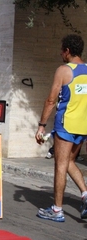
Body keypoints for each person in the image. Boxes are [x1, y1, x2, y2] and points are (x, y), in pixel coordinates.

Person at [35, 34, 87, 222]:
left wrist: (41, 125)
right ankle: (85, 194)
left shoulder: (64, 70)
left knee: (60, 165)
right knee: (69, 161)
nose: (60, 53)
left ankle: (57, 210)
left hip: (66, 124)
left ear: (67, 51)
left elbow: (51, 100)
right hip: (83, 125)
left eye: (61, 50)